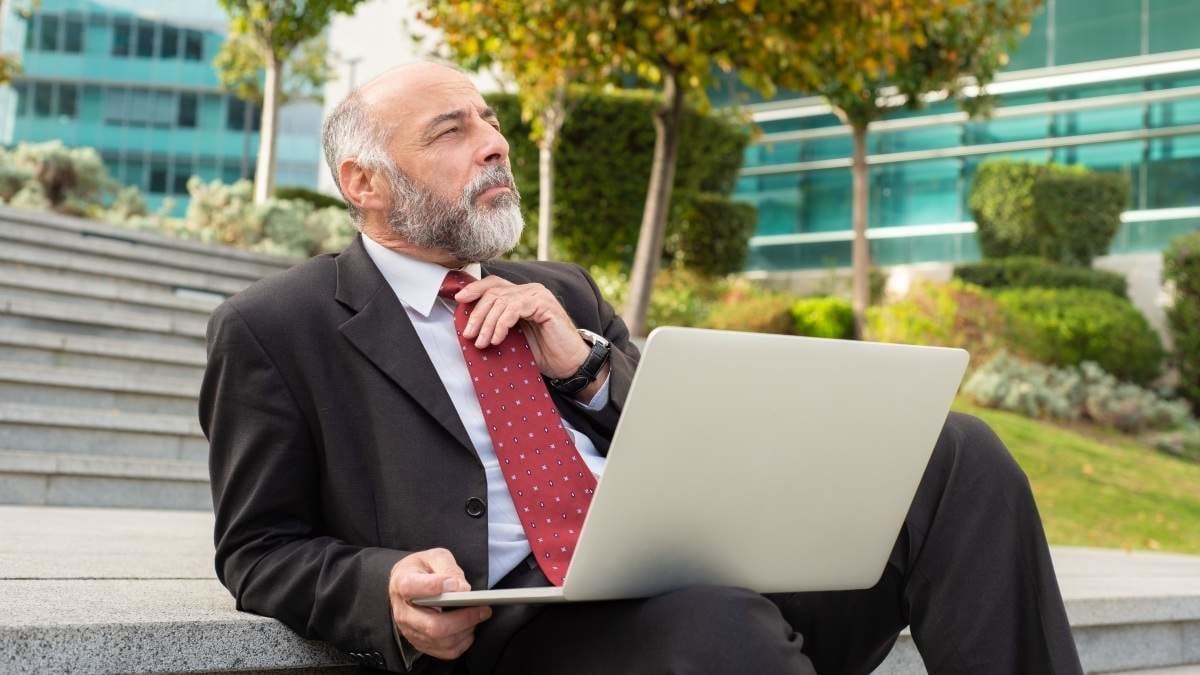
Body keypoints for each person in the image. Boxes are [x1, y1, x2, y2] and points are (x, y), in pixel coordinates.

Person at [199, 62, 1084, 675]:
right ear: (366, 182)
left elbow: (683, 437)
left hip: (697, 570)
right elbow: (257, 547)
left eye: (491, 119)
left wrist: (586, 367)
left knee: (955, 453)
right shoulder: (278, 328)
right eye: (453, 129)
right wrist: (381, 586)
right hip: (522, 631)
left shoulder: (560, 290)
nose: (495, 141)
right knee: (715, 625)